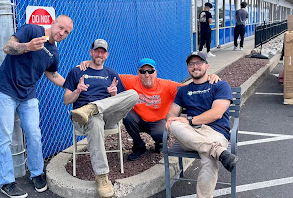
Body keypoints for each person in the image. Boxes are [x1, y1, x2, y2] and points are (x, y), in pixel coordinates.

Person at [0, 15, 73, 198]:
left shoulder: (54, 53)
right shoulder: (31, 30)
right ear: (52, 23)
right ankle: (6, 181)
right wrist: (27, 46)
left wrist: (70, 85)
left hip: (28, 94)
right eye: (60, 28)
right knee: (3, 137)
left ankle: (36, 173)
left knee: (34, 134)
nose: (61, 33)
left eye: (66, 32)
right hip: (5, 89)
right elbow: (7, 47)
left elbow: (51, 74)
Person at [79, 57, 220, 161]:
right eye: (143, 71)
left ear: (155, 72)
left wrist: (209, 77)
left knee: (160, 134)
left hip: (157, 121)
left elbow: (191, 88)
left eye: (150, 71)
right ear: (138, 73)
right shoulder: (130, 80)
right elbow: (106, 75)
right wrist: (89, 64)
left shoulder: (167, 85)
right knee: (127, 116)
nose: (147, 74)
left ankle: (158, 142)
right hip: (138, 120)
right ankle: (139, 146)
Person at [166, 51, 236, 198]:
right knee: (173, 125)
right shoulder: (183, 90)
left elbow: (217, 113)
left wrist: (188, 120)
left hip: (214, 131)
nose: (195, 67)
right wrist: (173, 119)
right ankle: (220, 152)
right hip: (190, 134)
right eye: (191, 64)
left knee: (208, 159)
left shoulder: (220, 85)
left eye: (199, 63)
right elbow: (172, 113)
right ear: (188, 68)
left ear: (207, 66)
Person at [64, 39, 138, 198]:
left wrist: (113, 95)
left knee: (133, 94)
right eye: (96, 51)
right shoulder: (77, 72)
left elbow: (119, 101)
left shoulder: (111, 74)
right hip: (83, 119)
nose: (99, 54)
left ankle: (92, 108)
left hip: (108, 116)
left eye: (102, 51)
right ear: (91, 52)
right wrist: (77, 91)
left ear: (107, 55)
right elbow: (66, 100)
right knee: (95, 120)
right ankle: (102, 176)